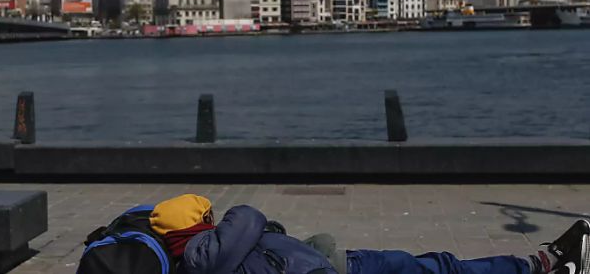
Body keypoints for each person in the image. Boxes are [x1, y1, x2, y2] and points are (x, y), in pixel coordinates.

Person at [149, 194, 590, 274]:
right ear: (197, 226)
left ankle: (539, 264)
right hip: (341, 268)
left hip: (329, 263)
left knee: (436, 267)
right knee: (439, 267)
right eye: (207, 214)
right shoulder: (206, 251)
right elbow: (247, 214)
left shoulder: (202, 255)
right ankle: (539, 265)